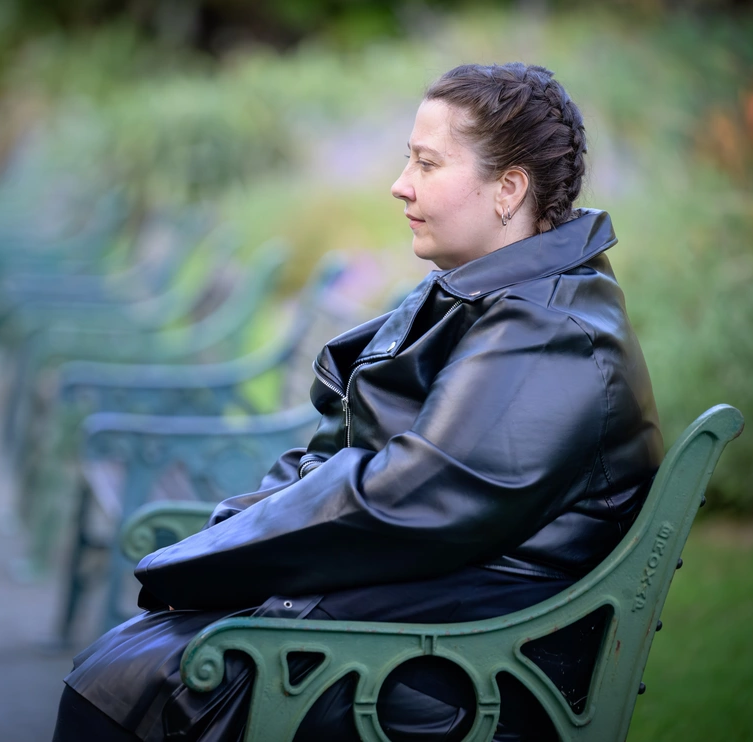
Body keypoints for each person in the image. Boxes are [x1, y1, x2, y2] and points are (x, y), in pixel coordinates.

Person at [51, 62, 663, 742]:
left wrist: (205, 562)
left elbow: (405, 499)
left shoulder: (549, 330)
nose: (400, 185)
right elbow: (361, 450)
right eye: (408, 159)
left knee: (133, 678)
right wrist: (229, 534)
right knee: (129, 664)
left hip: (471, 675)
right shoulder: (499, 297)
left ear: (508, 189)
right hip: (433, 627)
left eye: (427, 164)